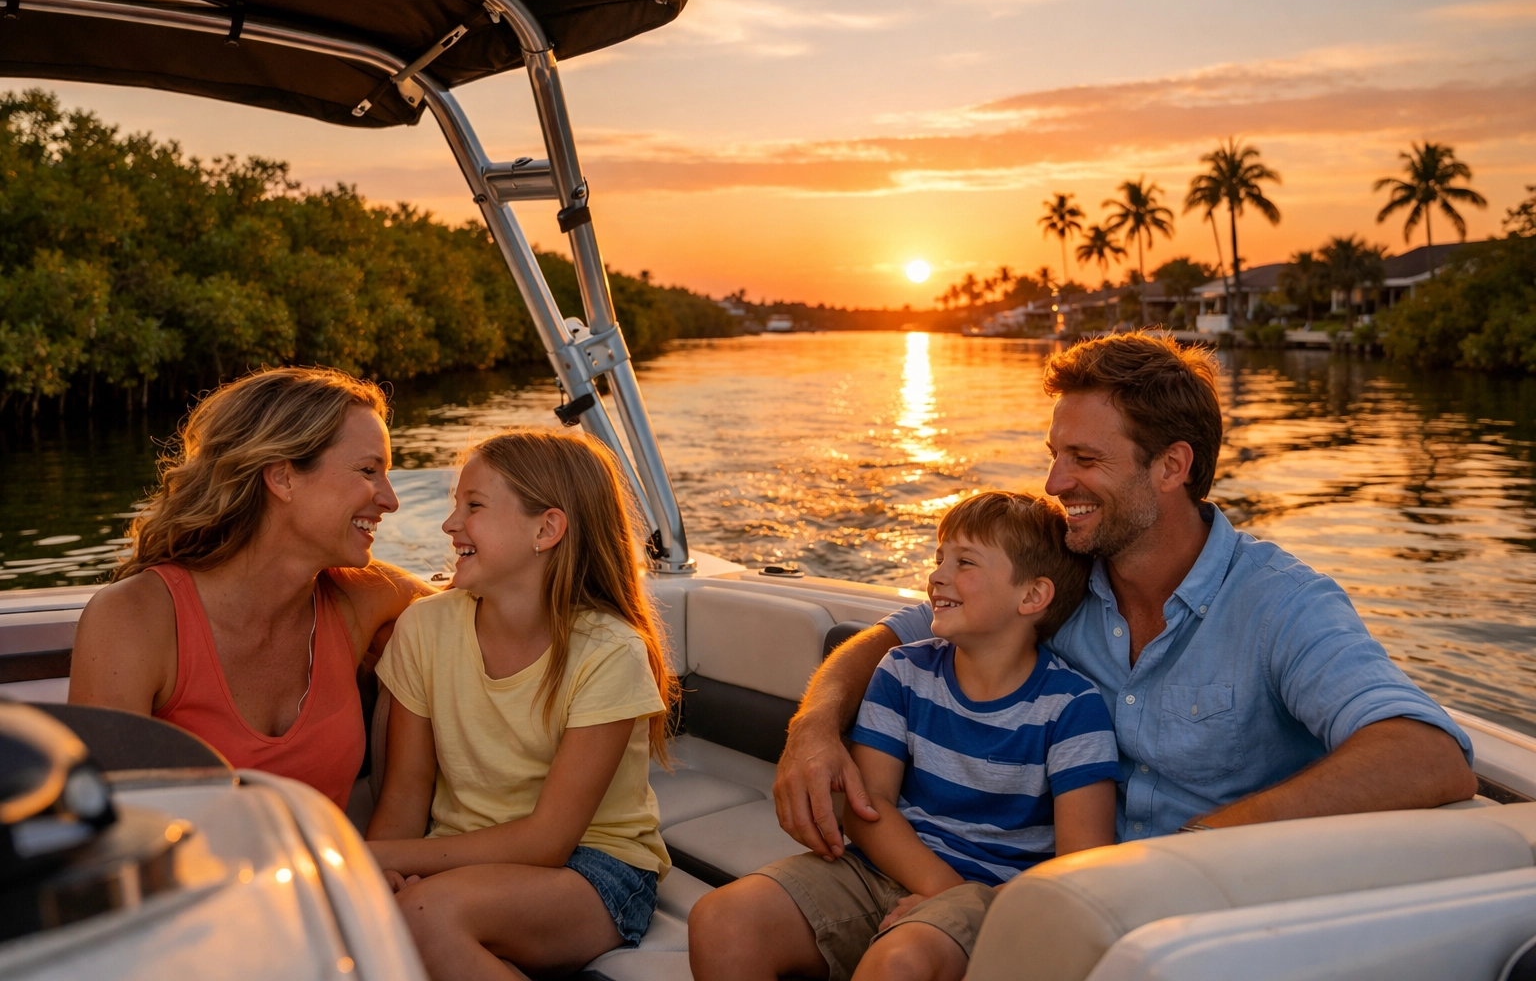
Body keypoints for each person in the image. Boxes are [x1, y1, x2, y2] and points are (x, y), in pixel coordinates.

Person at [774, 332, 1476, 858]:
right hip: (1064, 899)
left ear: (1172, 466)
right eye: (1055, 454)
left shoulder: (1280, 605)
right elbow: (893, 638)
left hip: (1206, 912)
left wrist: (1205, 840)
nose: (1053, 483)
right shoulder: (1061, 575)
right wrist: (812, 727)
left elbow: (1429, 756)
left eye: (1084, 459)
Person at [692, 491, 1120, 981]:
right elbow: (866, 804)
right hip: (882, 870)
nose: (938, 575)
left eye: (965, 562)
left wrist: (957, 901)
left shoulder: (1071, 707)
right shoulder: (903, 669)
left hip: (995, 895)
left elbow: (1078, 865)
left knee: (900, 961)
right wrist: (941, 890)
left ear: (1031, 596)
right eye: (940, 558)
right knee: (721, 919)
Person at [366, 429, 679, 981]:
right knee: (364, 919)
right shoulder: (425, 627)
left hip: (595, 869)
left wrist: (388, 862)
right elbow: (405, 795)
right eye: (454, 504)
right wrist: (378, 869)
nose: (449, 524)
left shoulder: (607, 651)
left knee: (421, 918)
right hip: (456, 858)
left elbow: (547, 840)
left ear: (546, 528)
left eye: (475, 506)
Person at [70, 367, 432, 809]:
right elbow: (99, 822)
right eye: (368, 471)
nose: (390, 499)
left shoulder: (362, 598)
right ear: (282, 477)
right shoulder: (134, 620)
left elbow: (487, 607)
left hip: (322, 875)